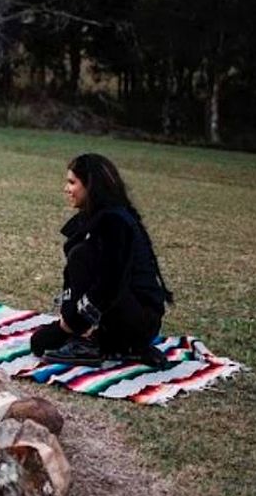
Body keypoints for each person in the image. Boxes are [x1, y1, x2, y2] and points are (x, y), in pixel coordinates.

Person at [29, 153, 173, 368]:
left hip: (136, 321)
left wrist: (73, 323)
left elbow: (110, 284)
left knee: (44, 341)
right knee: (41, 341)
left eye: (72, 182)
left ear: (91, 186)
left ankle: (96, 343)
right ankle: (109, 342)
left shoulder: (114, 223)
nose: (66, 189)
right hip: (125, 314)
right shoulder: (102, 217)